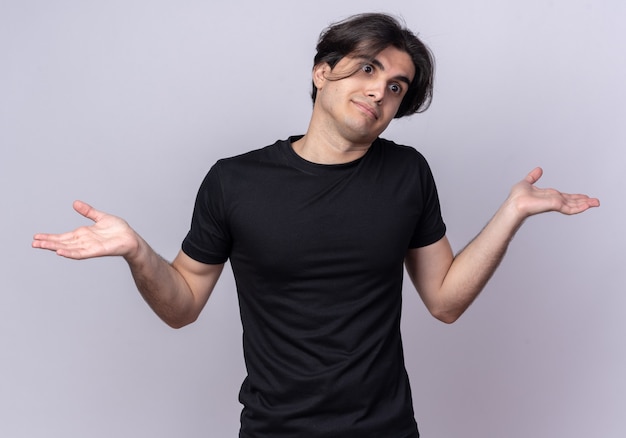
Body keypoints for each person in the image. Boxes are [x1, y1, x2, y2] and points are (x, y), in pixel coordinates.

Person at [32, 12, 599, 438]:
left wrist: (511, 213)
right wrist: (137, 252)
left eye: (397, 86)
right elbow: (181, 306)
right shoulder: (235, 181)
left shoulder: (407, 173)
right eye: (368, 68)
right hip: (275, 429)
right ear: (322, 71)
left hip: (388, 428)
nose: (381, 90)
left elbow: (445, 300)